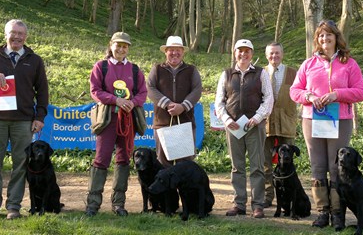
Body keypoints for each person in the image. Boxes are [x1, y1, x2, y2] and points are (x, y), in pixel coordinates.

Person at [289, 20, 363, 230]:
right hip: (312, 120)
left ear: (336, 37)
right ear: (317, 39)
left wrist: (337, 95)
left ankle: (338, 214)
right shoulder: (308, 64)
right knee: (318, 165)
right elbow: (294, 91)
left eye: (329, 35)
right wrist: (309, 95)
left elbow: (361, 92)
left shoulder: (349, 63)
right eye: (321, 36)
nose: (325, 39)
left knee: (336, 167)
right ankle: (322, 212)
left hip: (339, 120)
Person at [0, 19, 49, 220]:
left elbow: (42, 92)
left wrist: (40, 117)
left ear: (26, 37)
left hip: (23, 120)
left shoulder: (35, 60)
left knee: (21, 164)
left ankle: (14, 206)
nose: (16, 37)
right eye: (13, 33)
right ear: (5, 34)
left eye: (20, 34)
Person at [85, 31, 147, 217]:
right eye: (118, 45)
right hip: (107, 118)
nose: (121, 49)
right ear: (111, 45)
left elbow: (142, 93)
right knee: (101, 158)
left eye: (125, 46)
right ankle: (93, 203)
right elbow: (95, 91)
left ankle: (118, 203)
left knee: (123, 159)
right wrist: (115, 100)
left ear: (128, 49)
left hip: (128, 120)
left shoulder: (135, 70)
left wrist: (132, 102)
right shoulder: (101, 67)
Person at [215, 39, 274, 219]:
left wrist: (257, 118)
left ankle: (258, 205)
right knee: (236, 167)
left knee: (257, 166)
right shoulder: (226, 74)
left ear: (252, 54)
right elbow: (219, 101)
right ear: (235, 53)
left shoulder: (261, 73)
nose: (243, 54)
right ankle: (239, 203)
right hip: (233, 127)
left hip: (254, 126)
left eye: (247, 51)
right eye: (240, 51)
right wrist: (226, 119)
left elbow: (269, 99)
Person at [146, 36, 202, 167]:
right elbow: (150, 88)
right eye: (171, 50)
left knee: (186, 164)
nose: (174, 53)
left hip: (185, 122)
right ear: (165, 52)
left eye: (178, 50)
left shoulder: (191, 70)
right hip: (162, 123)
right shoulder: (157, 69)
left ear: (183, 52)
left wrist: (182, 107)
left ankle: (185, 188)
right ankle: (166, 189)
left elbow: (197, 90)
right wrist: (168, 104)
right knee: (164, 162)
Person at [262, 42, 299, 208]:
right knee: (265, 162)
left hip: (287, 121)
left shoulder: (293, 73)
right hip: (266, 123)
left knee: (288, 160)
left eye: (277, 53)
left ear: (282, 54)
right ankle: (267, 196)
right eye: (271, 53)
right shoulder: (261, 73)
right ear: (266, 55)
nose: (274, 57)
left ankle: (290, 197)